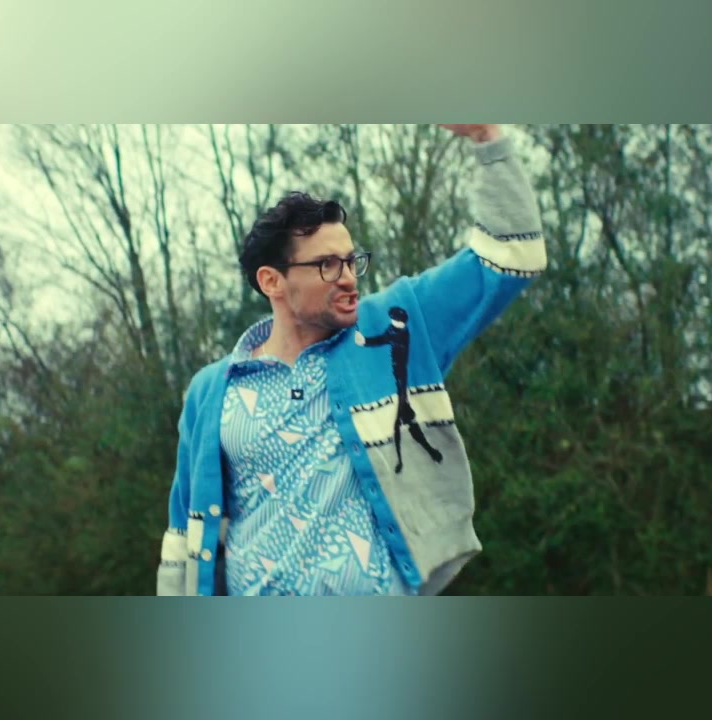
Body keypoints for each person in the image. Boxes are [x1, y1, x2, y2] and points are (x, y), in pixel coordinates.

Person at [156, 124, 546, 596]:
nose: (347, 277)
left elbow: (510, 256)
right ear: (272, 281)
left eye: (351, 260)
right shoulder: (211, 391)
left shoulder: (397, 324)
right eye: (327, 264)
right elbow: (184, 534)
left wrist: (487, 138)